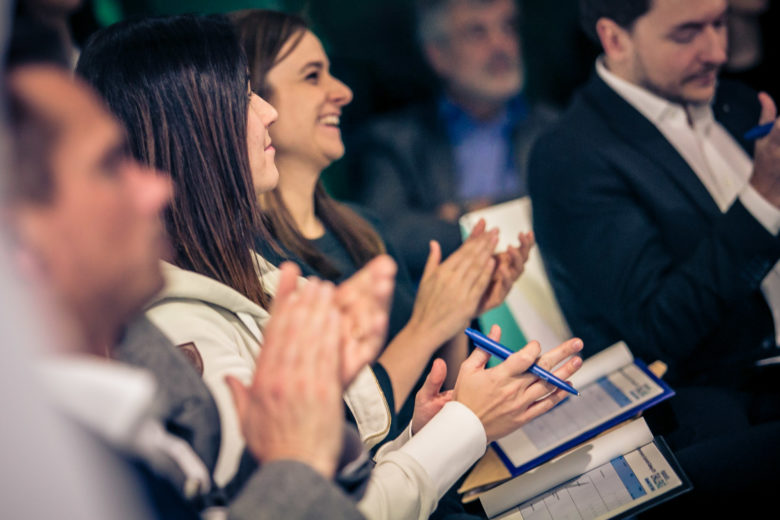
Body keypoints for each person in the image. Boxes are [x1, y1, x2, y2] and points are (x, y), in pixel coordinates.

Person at [77, 13, 584, 520]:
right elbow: (318, 507)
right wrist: (462, 421)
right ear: (192, 133)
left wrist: (424, 427)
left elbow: (348, 461)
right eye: (245, 95)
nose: (267, 112)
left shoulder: (314, 244)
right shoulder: (187, 320)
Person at [4, 57, 375, 518]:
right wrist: (294, 460)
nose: (155, 188)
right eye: (107, 166)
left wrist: (302, 442)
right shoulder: (37, 466)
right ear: (17, 243)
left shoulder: (127, 389)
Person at [231, 8, 534, 427]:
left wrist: (457, 309)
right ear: (252, 99)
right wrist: (430, 321)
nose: (342, 92)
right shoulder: (252, 265)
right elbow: (343, 430)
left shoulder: (363, 226)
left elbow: (437, 395)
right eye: (312, 76)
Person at [528, 0, 780, 403]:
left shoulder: (739, 102)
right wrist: (764, 197)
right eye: (687, 33)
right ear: (615, 39)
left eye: (719, 24)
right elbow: (658, 331)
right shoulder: (571, 156)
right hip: (721, 406)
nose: (717, 52)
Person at [354, 0, 556, 280]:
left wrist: (463, 213)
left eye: (508, 27)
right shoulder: (396, 141)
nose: (500, 45)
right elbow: (384, 234)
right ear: (438, 55)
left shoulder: (555, 129)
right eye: (477, 32)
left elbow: (565, 213)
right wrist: (511, 216)